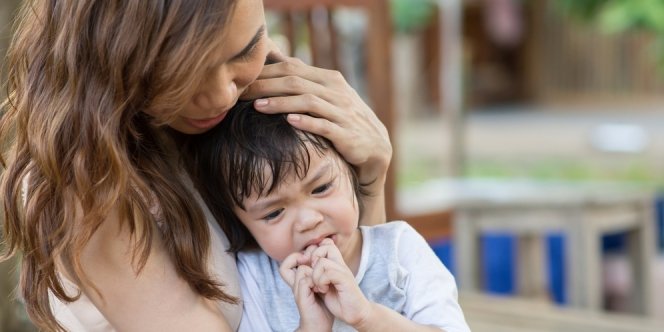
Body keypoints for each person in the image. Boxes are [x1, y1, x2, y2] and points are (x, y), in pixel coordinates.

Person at [0, 1, 391, 331]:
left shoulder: (248, 110)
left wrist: (369, 179)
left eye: (246, 50)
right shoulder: (87, 184)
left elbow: (367, 300)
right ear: (114, 57)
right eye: (186, 73)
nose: (222, 94)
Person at [181, 102, 470, 332]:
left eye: (321, 188)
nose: (307, 220)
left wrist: (366, 317)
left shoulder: (398, 250)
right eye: (274, 212)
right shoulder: (256, 277)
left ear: (352, 171)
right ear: (242, 225)